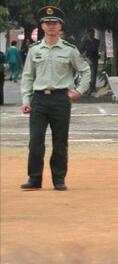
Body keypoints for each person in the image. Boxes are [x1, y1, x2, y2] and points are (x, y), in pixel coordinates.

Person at [19, 6, 89, 192]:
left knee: (60, 141)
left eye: (55, 23)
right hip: (39, 100)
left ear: (60, 27)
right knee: (35, 140)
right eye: (47, 23)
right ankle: (34, 179)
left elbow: (85, 70)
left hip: (60, 100)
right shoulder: (34, 50)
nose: (51, 26)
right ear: (42, 26)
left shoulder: (69, 50)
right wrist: (26, 100)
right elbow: (27, 76)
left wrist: (79, 91)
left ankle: (59, 179)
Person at [81, 29, 99, 96]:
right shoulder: (85, 42)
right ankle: (87, 89)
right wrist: (86, 58)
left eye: (92, 33)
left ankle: (92, 88)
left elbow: (96, 50)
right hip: (87, 59)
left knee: (93, 75)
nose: (91, 35)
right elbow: (82, 51)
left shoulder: (97, 41)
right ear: (87, 34)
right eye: (89, 33)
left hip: (94, 59)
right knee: (87, 75)